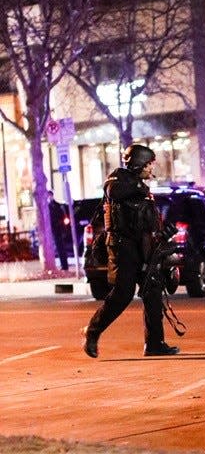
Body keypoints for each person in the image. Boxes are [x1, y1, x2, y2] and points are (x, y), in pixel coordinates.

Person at [82, 143, 180, 358]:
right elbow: (113, 190)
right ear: (139, 164)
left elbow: (145, 223)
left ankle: (154, 344)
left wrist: (163, 234)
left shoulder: (142, 190)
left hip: (143, 247)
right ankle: (92, 330)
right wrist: (138, 185)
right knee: (122, 294)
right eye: (148, 165)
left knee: (152, 291)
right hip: (123, 248)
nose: (151, 169)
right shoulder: (119, 179)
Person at [48, 190, 69, 271]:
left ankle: (64, 266)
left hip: (58, 230)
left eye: (50, 195)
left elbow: (63, 217)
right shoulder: (48, 206)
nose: (49, 197)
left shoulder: (57, 206)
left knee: (61, 248)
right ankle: (63, 265)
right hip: (53, 231)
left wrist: (62, 227)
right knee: (58, 249)